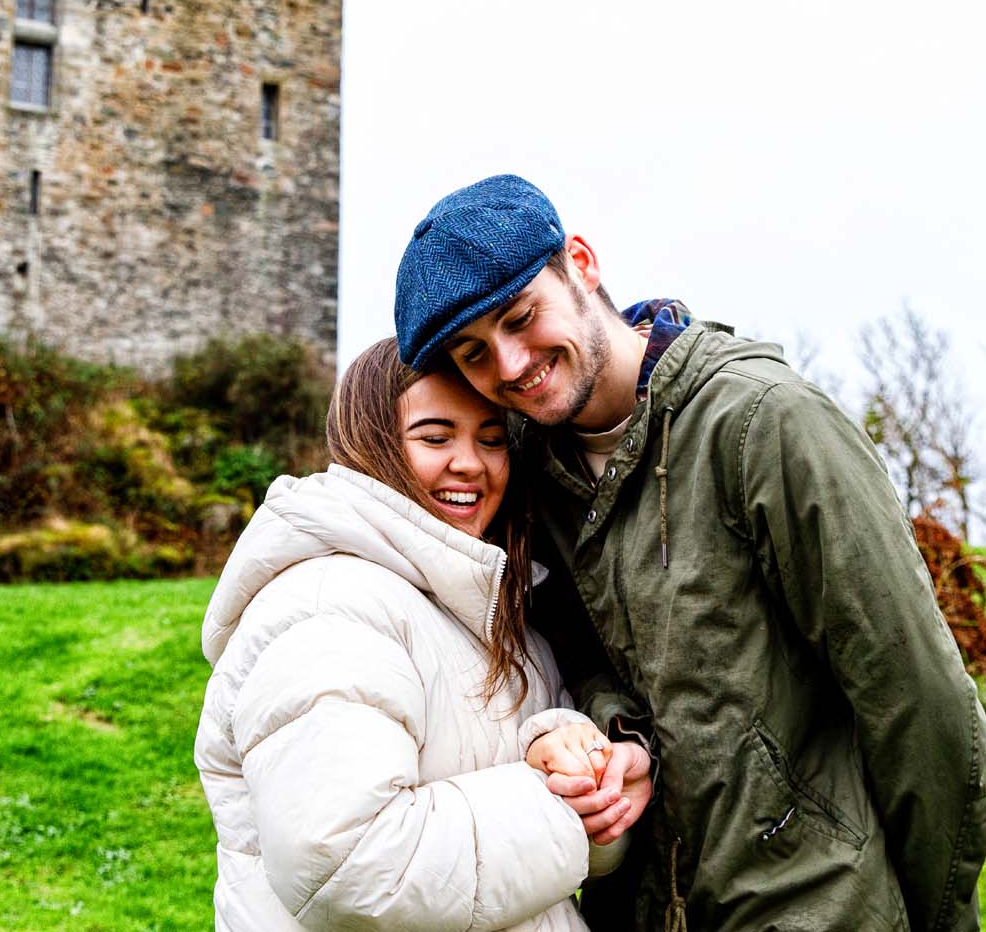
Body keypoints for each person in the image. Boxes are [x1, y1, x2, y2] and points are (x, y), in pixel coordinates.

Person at [393, 175, 986, 932]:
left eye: (521, 317)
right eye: (474, 353)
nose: (510, 365)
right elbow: (576, 659)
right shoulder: (525, 471)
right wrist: (616, 735)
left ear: (581, 263)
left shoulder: (766, 426)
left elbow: (921, 705)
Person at [193, 337, 648, 932]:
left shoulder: (493, 607)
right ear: (371, 444)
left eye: (491, 439)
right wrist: (563, 807)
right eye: (435, 437)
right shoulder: (330, 606)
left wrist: (583, 767)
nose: (471, 462)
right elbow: (348, 867)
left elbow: (558, 852)